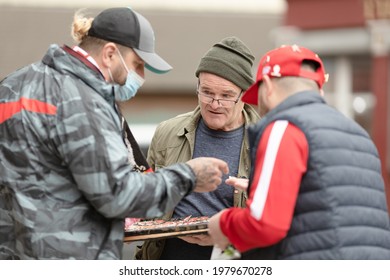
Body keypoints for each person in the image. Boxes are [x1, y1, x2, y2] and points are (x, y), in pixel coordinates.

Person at [0, 7, 229, 260]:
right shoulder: (84, 100)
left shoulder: (12, 86)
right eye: (138, 65)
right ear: (110, 53)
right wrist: (188, 176)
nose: (140, 76)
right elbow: (117, 194)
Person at [208, 44, 390, 259]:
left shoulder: (284, 126)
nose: (259, 106)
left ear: (268, 86)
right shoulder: (359, 134)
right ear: (319, 90)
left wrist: (223, 224)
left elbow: (264, 224)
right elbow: (336, 206)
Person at [135, 37, 260, 260]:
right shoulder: (167, 132)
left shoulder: (265, 141)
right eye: (207, 92)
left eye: (226, 96)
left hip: (234, 258)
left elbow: (277, 222)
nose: (214, 104)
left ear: (245, 95)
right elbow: (145, 206)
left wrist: (225, 234)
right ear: (197, 87)